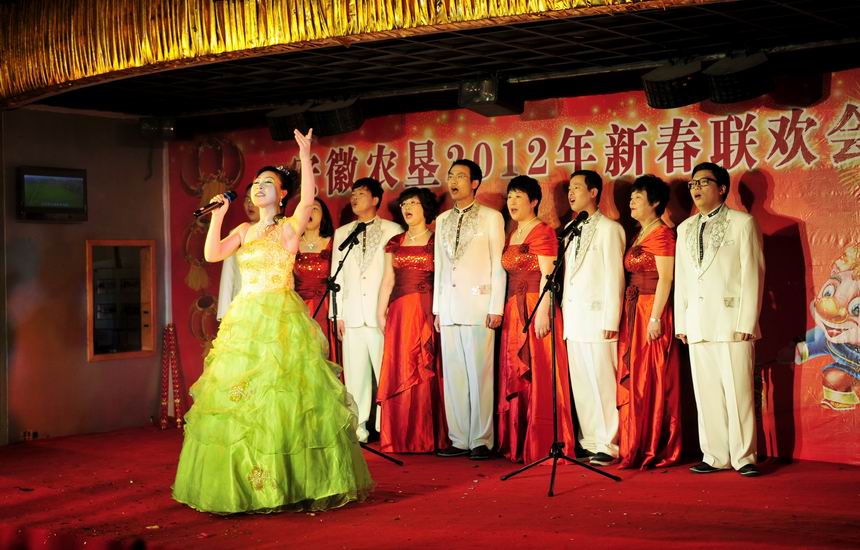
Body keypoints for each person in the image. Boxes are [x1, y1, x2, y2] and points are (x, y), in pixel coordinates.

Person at [172, 129, 373, 514]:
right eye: (255, 184)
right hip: (246, 317)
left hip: (280, 316)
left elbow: (309, 197)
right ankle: (244, 484)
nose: (259, 188)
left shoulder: (288, 227)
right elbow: (212, 254)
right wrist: (218, 216)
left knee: (283, 398)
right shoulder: (244, 230)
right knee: (242, 399)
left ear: (282, 195)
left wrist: (305, 154)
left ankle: (291, 481)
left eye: (268, 183)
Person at [675, 162, 764, 477]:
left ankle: (744, 456)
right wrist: (682, 322)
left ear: (722, 188)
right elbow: (682, 279)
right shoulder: (684, 228)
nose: (696, 188)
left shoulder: (743, 223)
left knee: (738, 393)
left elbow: (753, 274)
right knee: (707, 393)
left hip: (731, 322)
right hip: (698, 322)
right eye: (693, 183)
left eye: (704, 182)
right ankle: (715, 455)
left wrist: (747, 321)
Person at [497, 176, 577, 464]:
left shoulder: (542, 231)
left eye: (519, 197)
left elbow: (548, 275)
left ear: (533, 201)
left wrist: (544, 311)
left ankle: (542, 441)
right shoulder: (512, 233)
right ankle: (519, 441)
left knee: (541, 372)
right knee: (515, 371)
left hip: (536, 305)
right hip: (514, 309)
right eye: (510, 197)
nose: (512, 202)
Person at [433, 159, 506, 460]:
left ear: (475, 183)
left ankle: (481, 439)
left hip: (479, 306)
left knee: (480, 375)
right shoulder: (441, 220)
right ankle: (458, 438)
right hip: (449, 307)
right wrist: (438, 309)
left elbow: (498, 264)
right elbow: (440, 266)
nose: (454, 181)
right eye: (451, 176)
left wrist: (496, 306)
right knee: (454, 377)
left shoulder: (491, 217)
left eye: (461, 176)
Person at [616, 175, 682, 469]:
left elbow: (666, 278)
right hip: (633, 310)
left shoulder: (663, 235)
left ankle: (653, 443)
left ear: (655, 203)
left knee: (651, 376)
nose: (631, 202)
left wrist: (656, 316)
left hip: (651, 309)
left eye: (638, 198)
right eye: (631, 197)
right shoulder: (640, 234)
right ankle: (635, 440)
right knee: (636, 375)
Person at [375, 188, 449, 453]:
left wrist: (439, 310)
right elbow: (388, 279)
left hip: (426, 307)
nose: (407, 208)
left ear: (425, 208)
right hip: (399, 311)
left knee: (423, 365)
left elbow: (443, 278)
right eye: (404, 204)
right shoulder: (395, 242)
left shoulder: (436, 240)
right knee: (400, 366)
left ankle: (425, 436)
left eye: (413, 203)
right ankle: (399, 436)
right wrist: (380, 311)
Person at [561, 169, 625, 467]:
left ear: (594, 192)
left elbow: (615, 277)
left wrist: (611, 319)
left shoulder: (610, 229)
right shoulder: (570, 228)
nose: (571, 193)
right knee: (582, 383)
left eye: (577, 187)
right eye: (569, 189)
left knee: (602, 382)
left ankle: (609, 443)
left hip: (599, 318)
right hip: (574, 318)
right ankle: (589, 440)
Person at [331, 178, 403, 443]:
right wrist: (337, 314)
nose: (355, 198)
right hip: (351, 315)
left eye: (361, 194)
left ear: (375, 199)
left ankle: (387, 428)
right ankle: (359, 427)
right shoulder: (343, 233)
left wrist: (389, 309)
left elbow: (395, 275)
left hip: (379, 314)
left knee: (384, 372)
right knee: (355, 374)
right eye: (353, 194)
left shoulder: (392, 229)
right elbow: (336, 276)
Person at [294, 197, 336, 362]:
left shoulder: (334, 242)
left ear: (323, 215)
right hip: (298, 308)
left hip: (325, 306)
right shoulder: (291, 243)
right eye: (306, 208)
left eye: (315, 208)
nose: (310, 212)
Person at [217, 183, 259, 321]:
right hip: (243, 307)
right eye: (247, 199)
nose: (249, 204)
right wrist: (224, 313)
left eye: (254, 199)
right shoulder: (239, 233)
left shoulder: (281, 231)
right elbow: (228, 274)